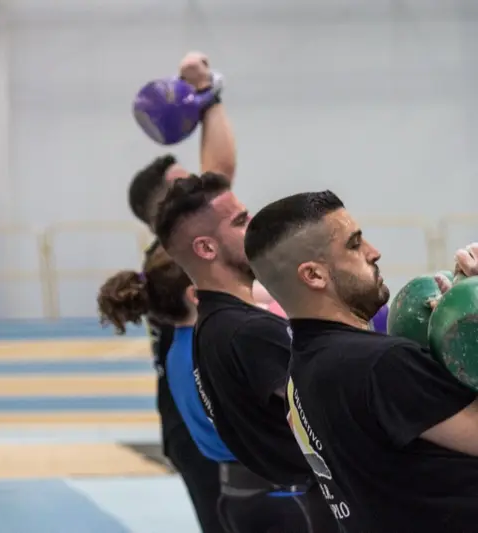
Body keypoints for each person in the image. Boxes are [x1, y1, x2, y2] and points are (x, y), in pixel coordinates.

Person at [243, 190, 478, 533]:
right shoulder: (380, 364)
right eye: (354, 245)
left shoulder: (302, 372)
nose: (373, 252)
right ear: (314, 275)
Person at [153, 173, 338, 533]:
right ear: (206, 248)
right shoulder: (249, 332)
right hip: (289, 504)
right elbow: (332, 414)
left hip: (251, 498)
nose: (254, 227)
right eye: (240, 221)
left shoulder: (208, 327)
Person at [125, 51, 236, 532]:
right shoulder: (177, 254)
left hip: (198, 418)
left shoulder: (172, 251)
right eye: (186, 184)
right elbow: (222, 175)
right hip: (199, 424)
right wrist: (208, 94)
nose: (198, 186)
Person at [97, 246, 237, 532]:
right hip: (209, 451)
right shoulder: (199, 347)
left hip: (196, 442)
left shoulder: (183, 341)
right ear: (193, 293)